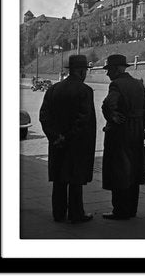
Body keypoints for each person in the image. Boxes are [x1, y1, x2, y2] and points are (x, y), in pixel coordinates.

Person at [39, 55, 96, 223]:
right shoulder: (85, 91)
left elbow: (44, 115)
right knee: (75, 179)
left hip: (56, 143)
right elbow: (83, 119)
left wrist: (55, 136)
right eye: (85, 70)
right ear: (80, 71)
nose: (85, 74)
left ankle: (58, 212)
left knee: (59, 179)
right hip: (76, 144)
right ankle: (76, 213)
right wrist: (68, 137)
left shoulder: (53, 90)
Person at [101, 54, 145, 220]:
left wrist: (112, 117)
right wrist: (140, 128)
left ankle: (119, 210)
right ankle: (132, 209)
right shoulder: (138, 84)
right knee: (134, 171)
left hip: (120, 133)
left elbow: (108, 105)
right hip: (136, 132)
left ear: (115, 69)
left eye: (108, 70)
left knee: (119, 170)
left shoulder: (116, 85)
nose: (107, 74)